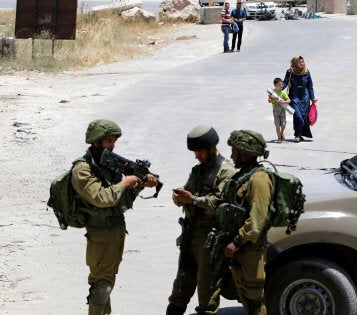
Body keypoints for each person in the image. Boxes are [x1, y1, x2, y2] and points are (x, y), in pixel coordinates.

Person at [71, 119, 158, 315]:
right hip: (100, 234)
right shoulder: (82, 170)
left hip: (115, 231)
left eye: (113, 141)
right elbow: (102, 198)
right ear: (96, 142)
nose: (112, 146)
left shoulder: (106, 165)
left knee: (107, 281)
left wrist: (139, 185)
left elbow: (120, 203)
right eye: (109, 141)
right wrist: (125, 183)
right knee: (101, 284)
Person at [166, 125, 237, 315]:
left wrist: (194, 200)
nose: (197, 156)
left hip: (210, 240)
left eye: (199, 151)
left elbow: (222, 202)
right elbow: (188, 191)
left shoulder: (226, 171)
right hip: (190, 235)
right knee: (180, 288)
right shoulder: (198, 170)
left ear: (211, 148)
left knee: (207, 294)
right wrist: (180, 197)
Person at [222, 130, 273, 315]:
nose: (231, 155)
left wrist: (236, 243)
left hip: (250, 250)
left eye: (234, 151)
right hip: (240, 248)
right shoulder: (244, 175)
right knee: (244, 296)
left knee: (254, 300)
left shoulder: (259, 179)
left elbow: (257, 220)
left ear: (245, 153)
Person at [282, 55, 317, 143]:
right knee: (298, 116)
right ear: (295, 63)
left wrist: (312, 98)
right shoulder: (290, 72)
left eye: (302, 62)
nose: (301, 64)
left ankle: (299, 135)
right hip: (294, 98)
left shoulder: (306, 72)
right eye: (299, 62)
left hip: (305, 98)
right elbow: (285, 82)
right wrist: (278, 89)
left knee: (304, 118)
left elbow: (310, 86)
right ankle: (297, 135)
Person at [268, 77, 291, 143]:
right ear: (275, 85)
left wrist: (284, 102)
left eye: (282, 84)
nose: (281, 86)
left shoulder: (283, 93)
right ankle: (279, 138)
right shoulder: (272, 92)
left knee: (283, 123)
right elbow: (269, 101)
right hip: (275, 109)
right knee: (277, 124)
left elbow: (289, 100)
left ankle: (281, 133)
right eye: (279, 84)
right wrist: (273, 99)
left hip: (282, 109)